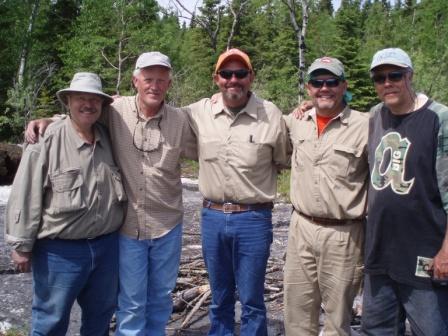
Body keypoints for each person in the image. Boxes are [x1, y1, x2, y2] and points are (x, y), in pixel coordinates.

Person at [25, 52, 197, 335]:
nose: (154, 85)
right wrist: (49, 121)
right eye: (148, 79)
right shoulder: (115, 110)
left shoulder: (181, 119)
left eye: (161, 80)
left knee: (160, 298)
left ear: (169, 84)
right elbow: (81, 113)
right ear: (135, 81)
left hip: (168, 226)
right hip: (128, 228)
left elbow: (215, 136)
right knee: (130, 303)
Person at [5, 72, 126, 335]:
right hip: (59, 252)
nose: (88, 104)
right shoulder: (46, 140)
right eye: (80, 98)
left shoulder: (109, 139)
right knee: (51, 321)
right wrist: (21, 245)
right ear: (68, 102)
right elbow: (26, 194)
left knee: (100, 319)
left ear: (102, 105)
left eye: (95, 100)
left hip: (107, 248)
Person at [182, 48, 290, 335]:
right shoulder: (197, 112)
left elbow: (283, 158)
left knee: (253, 299)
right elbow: (155, 112)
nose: (234, 79)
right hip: (212, 217)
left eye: (240, 73)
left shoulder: (270, 114)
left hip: (253, 219)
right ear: (216, 78)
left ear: (250, 77)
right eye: (227, 74)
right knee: (220, 298)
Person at [362, 47, 448, 335]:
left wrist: (446, 252)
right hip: (379, 253)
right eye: (379, 77)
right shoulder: (375, 116)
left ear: (409, 76)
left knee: (432, 329)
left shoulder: (439, 119)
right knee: (377, 330)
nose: (387, 83)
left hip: (425, 254)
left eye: (395, 75)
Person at [283, 57, 369, 335]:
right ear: (308, 88)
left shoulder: (365, 125)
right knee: (296, 315)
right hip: (301, 229)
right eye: (317, 82)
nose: (324, 88)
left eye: (331, 82)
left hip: (344, 235)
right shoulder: (296, 121)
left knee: (337, 320)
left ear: (344, 86)